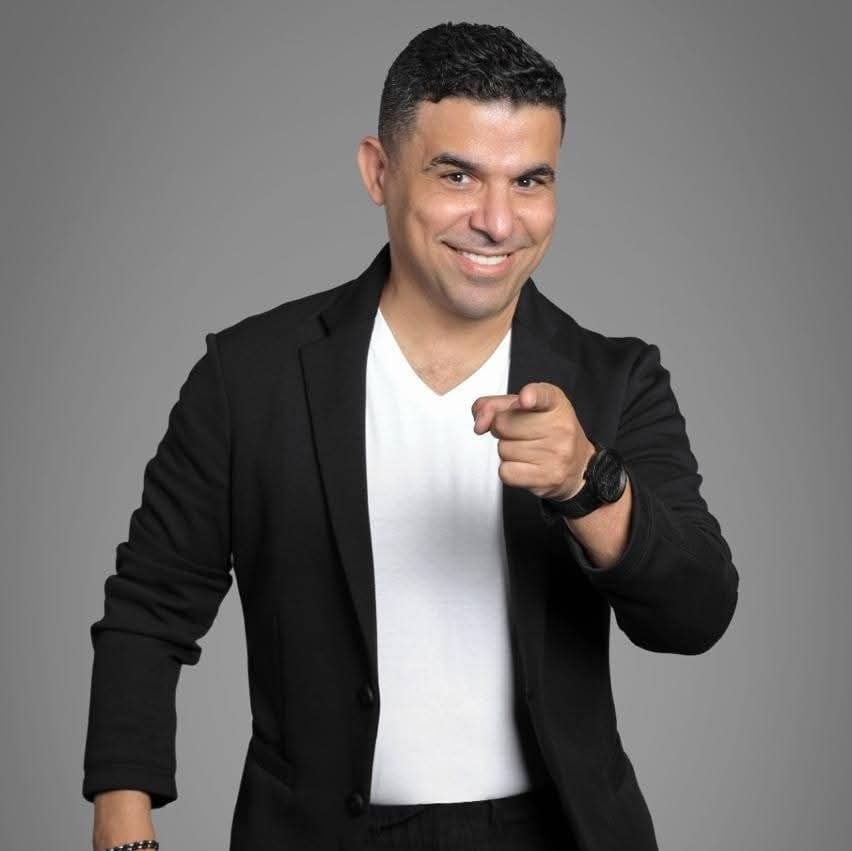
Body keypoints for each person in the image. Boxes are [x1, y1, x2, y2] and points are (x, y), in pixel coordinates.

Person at [83, 21, 739, 851]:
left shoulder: (615, 379)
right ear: (379, 172)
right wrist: (124, 824)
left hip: (554, 832)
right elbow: (149, 607)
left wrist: (588, 483)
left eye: (529, 180)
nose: (497, 221)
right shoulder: (248, 377)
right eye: (458, 175)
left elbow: (696, 614)